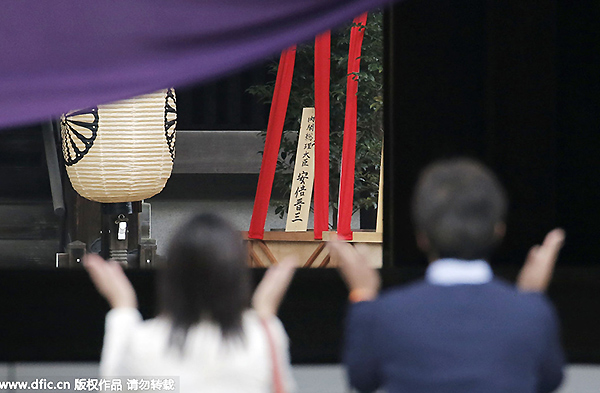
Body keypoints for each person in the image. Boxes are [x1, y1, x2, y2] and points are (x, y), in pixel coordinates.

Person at [330, 158, 565, 393]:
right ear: (499, 231)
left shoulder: (385, 313)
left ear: (421, 237)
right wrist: (530, 298)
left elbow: (362, 379)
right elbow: (548, 379)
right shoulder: (532, 312)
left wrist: (363, 293)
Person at [84, 213, 296, 393]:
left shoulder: (143, 342)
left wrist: (123, 309)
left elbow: (113, 384)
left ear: (171, 277)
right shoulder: (262, 337)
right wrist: (265, 316)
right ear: (237, 279)